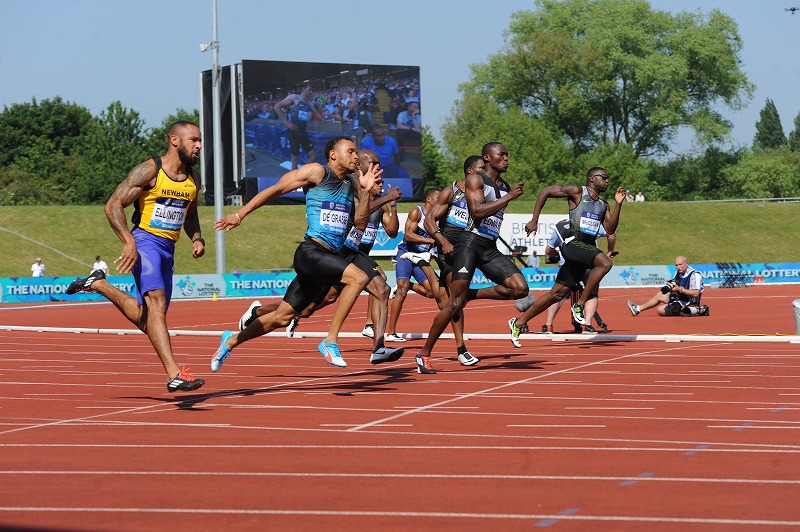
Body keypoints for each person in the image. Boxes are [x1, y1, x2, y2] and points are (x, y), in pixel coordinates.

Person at [211, 137, 387, 371]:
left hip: (328, 261)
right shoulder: (317, 172)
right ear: (333, 154)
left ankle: (230, 340)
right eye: (351, 151)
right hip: (311, 253)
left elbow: (360, 224)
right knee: (359, 278)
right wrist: (240, 215)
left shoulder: (351, 184)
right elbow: (276, 189)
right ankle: (330, 340)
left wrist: (364, 192)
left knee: (282, 317)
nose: (356, 157)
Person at [64, 121, 206, 392]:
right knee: (157, 303)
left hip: (168, 249)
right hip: (145, 241)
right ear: (175, 140)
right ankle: (174, 374)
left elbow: (191, 212)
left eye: (200, 141)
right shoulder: (150, 170)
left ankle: (99, 284)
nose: (198, 146)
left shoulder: (193, 178)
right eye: (193, 140)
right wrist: (129, 241)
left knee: (151, 317)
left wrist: (197, 237)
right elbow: (113, 205)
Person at [414, 142, 528, 374]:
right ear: (488, 158)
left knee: (519, 289)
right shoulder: (475, 181)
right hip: (469, 244)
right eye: (502, 155)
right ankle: (424, 354)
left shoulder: (505, 186)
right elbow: (477, 211)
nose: (506, 158)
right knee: (453, 303)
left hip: (489, 246)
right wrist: (509, 198)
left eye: (508, 154)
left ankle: (471, 296)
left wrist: (508, 195)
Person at [508, 168, 626, 348]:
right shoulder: (577, 192)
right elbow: (545, 191)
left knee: (555, 294)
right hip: (573, 244)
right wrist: (534, 220)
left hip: (586, 251)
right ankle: (579, 304)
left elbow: (610, 229)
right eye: (604, 177)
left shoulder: (603, 205)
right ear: (592, 179)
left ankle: (518, 322)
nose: (607, 181)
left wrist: (618, 204)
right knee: (605, 263)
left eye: (608, 178)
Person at [420, 155, 487, 367]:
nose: (484, 173)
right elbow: (429, 220)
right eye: (480, 169)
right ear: (469, 171)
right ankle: (460, 349)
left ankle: (453, 348)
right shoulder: (452, 191)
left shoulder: (484, 193)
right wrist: (442, 241)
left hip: (468, 248)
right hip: (447, 249)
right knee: (455, 299)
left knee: (453, 299)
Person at [540, 220, 615, 334]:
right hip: (589, 263)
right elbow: (611, 233)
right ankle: (588, 325)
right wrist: (610, 250)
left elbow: (548, 250)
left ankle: (548, 325)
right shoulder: (589, 223)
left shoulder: (560, 226)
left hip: (569, 265)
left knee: (557, 295)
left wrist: (556, 255)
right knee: (591, 294)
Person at [386, 188, 439, 342]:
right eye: (438, 198)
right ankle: (391, 333)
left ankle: (410, 285)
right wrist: (429, 240)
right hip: (407, 254)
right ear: (429, 200)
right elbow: (408, 236)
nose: (441, 201)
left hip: (421, 258)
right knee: (401, 290)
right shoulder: (417, 213)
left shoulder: (438, 217)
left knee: (432, 292)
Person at [628, 256, 704, 316]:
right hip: (680, 298)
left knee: (660, 310)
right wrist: (670, 286)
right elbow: (675, 285)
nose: (678, 267)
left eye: (680, 264)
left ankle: (689, 311)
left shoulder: (695, 275)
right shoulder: (678, 273)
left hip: (689, 303)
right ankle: (638, 309)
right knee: (660, 294)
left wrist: (679, 289)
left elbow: (696, 293)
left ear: (686, 264)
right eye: (676, 265)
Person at [274, 84, 324, 170]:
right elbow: (277, 107)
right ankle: (295, 179)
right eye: (309, 89)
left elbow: (316, 113)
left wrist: (325, 121)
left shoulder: (308, 103)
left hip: (303, 133)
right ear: (303, 89)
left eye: (311, 90)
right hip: (294, 133)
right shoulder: (294, 97)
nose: (311, 92)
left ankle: (300, 173)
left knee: (313, 156)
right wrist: (287, 123)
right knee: (295, 162)